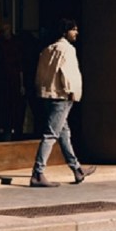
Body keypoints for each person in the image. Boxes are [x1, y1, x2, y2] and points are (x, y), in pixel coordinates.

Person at [30, 18, 95, 187]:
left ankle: (77, 169)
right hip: (62, 97)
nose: (76, 32)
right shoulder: (67, 50)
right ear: (66, 31)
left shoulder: (48, 49)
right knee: (51, 135)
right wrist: (73, 92)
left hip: (49, 96)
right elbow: (69, 73)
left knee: (64, 134)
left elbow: (40, 75)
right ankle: (38, 173)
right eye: (74, 29)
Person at [0, 23, 26, 141]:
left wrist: (22, 84)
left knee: (9, 111)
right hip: (0, 82)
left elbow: (20, 66)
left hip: (11, 83)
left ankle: (7, 134)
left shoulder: (15, 44)